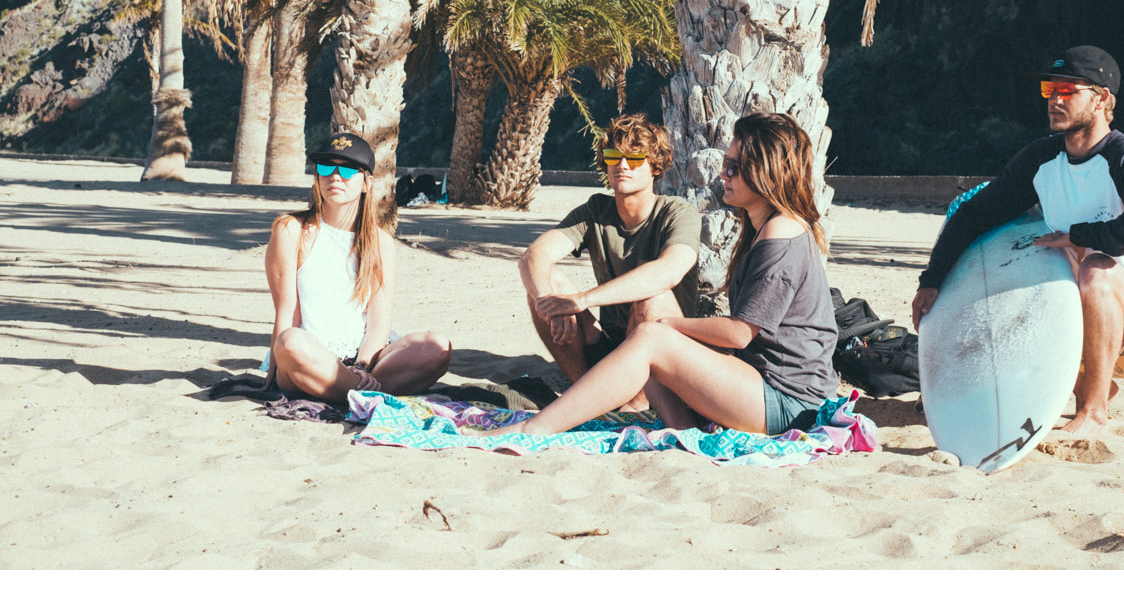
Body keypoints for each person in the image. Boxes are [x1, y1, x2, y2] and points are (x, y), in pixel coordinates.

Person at [485, 112, 840, 438]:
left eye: (733, 167)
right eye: (725, 164)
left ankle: (533, 430)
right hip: (763, 386)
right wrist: (554, 301)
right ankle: (680, 431)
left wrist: (665, 326)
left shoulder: (781, 234)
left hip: (789, 402)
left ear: (766, 171)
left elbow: (738, 333)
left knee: (652, 335)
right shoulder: (764, 228)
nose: (723, 174)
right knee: (647, 333)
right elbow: (535, 256)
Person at [912, 46, 1124, 439]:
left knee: (1096, 268)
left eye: (1067, 91)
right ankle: (1088, 383)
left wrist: (1079, 237)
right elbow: (974, 215)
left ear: (1101, 98)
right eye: (1049, 89)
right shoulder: (1042, 159)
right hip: (1077, 332)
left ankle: (1093, 412)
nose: (1054, 100)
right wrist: (932, 280)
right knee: (1022, 263)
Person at [520, 113, 701, 405]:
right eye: (613, 156)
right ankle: (586, 396)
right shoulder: (596, 210)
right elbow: (534, 255)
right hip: (610, 345)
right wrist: (548, 303)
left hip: (667, 351)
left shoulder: (678, 213)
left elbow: (669, 271)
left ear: (655, 166)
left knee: (652, 298)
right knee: (547, 285)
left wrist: (582, 300)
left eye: (635, 157)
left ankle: (636, 406)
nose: (622, 165)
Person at [265, 131, 452, 402]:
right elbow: (286, 315)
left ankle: (350, 389)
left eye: (348, 169)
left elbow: (379, 324)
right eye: (326, 167)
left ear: (366, 182)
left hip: (365, 359)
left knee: (438, 347)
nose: (335, 176)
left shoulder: (380, 243)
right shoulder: (291, 230)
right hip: (309, 357)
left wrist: (362, 366)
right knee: (290, 341)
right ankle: (363, 393)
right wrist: (273, 376)